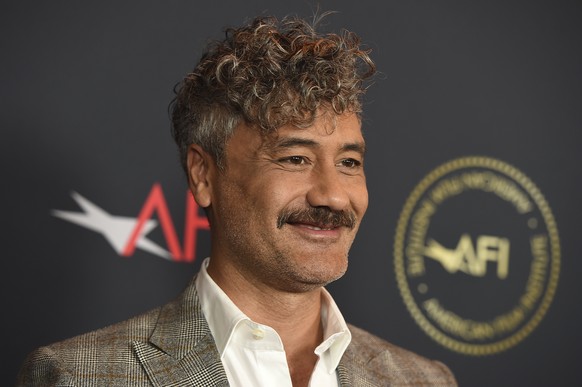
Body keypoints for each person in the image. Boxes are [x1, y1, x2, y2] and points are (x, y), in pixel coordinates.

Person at [16, 13, 457, 386]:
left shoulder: (423, 379)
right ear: (203, 175)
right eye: (296, 158)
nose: (334, 196)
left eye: (348, 163)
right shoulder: (79, 375)